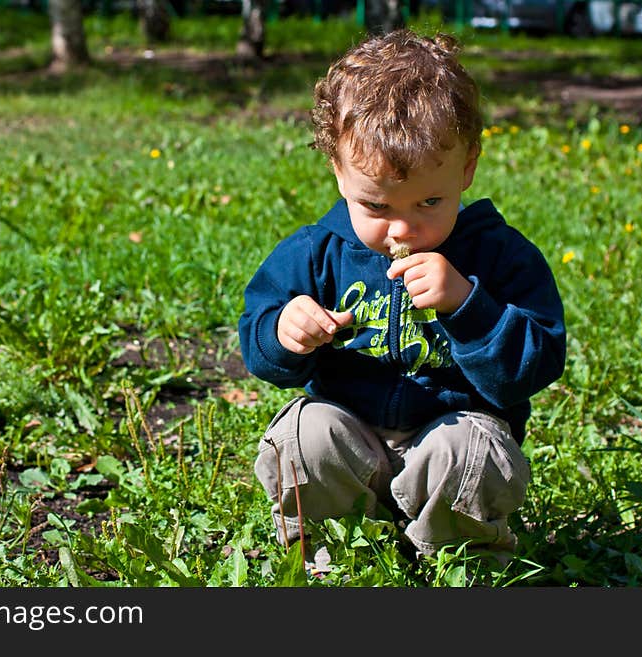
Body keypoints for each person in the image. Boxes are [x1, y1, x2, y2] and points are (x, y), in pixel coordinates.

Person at [237, 29, 566, 561]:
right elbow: (258, 344)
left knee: (469, 446)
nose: (403, 230)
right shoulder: (317, 251)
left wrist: (467, 305)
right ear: (337, 173)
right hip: (353, 444)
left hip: (446, 446)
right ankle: (340, 553)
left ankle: (459, 558)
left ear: (468, 167)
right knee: (304, 429)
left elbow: (535, 365)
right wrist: (283, 332)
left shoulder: (499, 256)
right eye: (377, 207)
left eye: (430, 202)